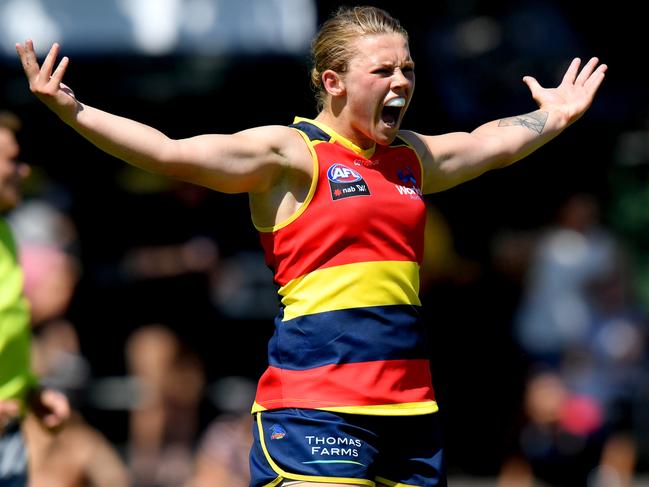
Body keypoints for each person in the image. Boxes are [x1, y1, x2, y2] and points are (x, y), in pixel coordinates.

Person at [15, 5, 607, 486]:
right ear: (334, 82)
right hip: (315, 409)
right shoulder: (291, 155)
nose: (401, 82)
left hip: (410, 414)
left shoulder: (410, 159)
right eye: (383, 72)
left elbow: (488, 142)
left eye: (407, 69)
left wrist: (550, 119)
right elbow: (172, 152)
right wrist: (76, 112)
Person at [0, 110, 71, 485]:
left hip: (9, 434)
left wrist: (31, 391)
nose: (23, 171)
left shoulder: (7, 234)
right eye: (13, 160)